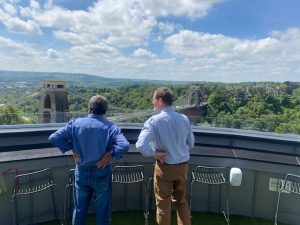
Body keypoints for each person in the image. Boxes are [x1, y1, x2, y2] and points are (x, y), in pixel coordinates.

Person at [49, 95, 129, 225]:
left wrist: (71, 148)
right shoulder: (110, 127)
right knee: (102, 210)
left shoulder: (75, 124)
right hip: (101, 171)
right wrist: (110, 154)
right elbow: (124, 145)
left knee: (80, 209)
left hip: (81, 170)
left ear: (89, 109)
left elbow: (54, 138)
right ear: (105, 111)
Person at [136, 87, 195, 225]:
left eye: (154, 99)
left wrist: (155, 153)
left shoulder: (153, 121)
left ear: (160, 101)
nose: (153, 102)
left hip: (165, 167)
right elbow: (191, 143)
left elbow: (140, 145)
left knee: (163, 204)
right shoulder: (184, 119)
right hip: (183, 167)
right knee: (181, 202)